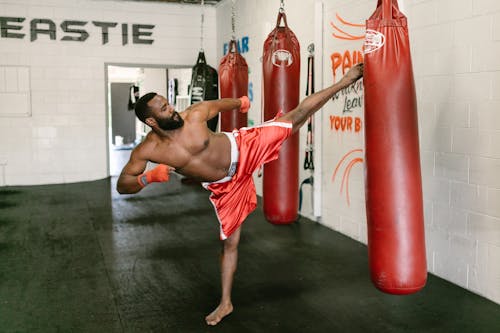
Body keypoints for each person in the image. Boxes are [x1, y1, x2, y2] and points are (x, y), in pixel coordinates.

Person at [116, 63, 364, 326]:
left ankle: (346, 80)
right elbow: (123, 185)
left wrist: (241, 102)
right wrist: (148, 177)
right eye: (165, 109)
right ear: (151, 121)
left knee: (296, 117)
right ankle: (226, 303)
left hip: (244, 149)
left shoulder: (195, 114)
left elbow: (219, 103)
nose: (173, 109)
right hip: (225, 187)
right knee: (230, 244)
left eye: (168, 103)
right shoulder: (148, 150)